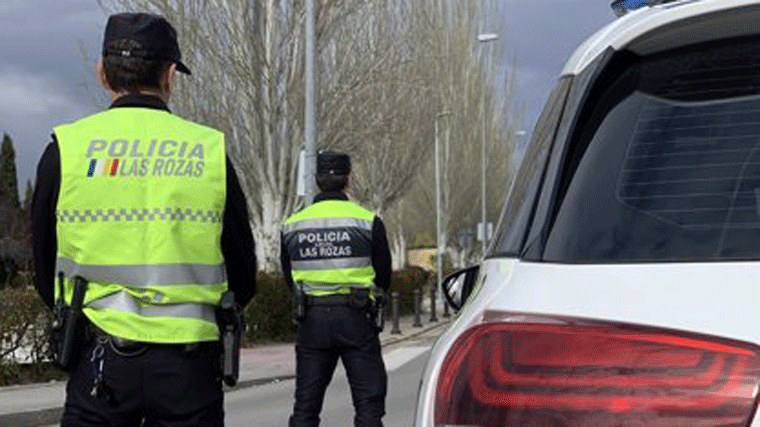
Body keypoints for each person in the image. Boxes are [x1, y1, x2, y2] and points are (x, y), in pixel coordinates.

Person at [31, 12, 256, 427]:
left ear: (102, 73)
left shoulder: (67, 149)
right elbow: (243, 271)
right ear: (170, 74)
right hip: (189, 368)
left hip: (98, 363)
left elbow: (44, 266)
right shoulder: (208, 151)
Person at [281, 151, 392, 427]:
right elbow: (384, 275)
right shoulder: (367, 221)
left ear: (316, 181)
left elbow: (289, 276)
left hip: (311, 321)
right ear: (348, 181)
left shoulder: (293, 225)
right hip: (356, 317)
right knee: (369, 404)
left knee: (306, 407)